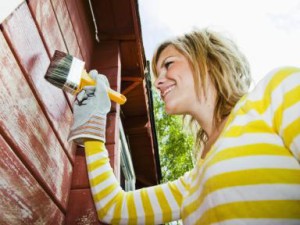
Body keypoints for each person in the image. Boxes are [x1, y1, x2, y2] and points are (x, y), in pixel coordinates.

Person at [68, 28, 300, 225]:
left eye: (168, 64)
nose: (157, 82)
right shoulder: (194, 182)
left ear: (207, 61)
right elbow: (113, 208)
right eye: (158, 74)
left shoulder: (276, 93)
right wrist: (94, 124)